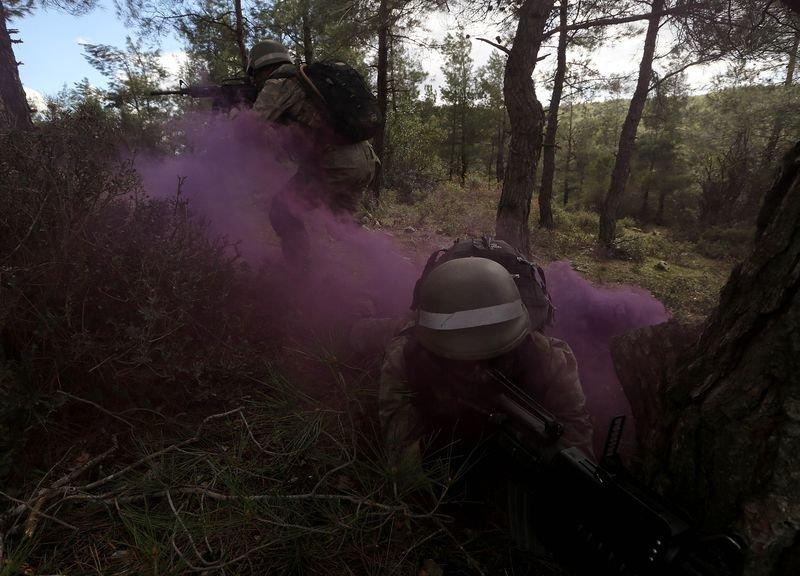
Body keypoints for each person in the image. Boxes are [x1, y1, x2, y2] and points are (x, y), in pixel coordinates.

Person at [246, 39, 379, 264]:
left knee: (282, 211)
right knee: (342, 226)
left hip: (337, 164)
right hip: (365, 160)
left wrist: (232, 115)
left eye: (255, 76)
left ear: (260, 68)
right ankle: (387, 267)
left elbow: (250, 127)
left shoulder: (280, 81)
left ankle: (301, 275)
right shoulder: (304, 79)